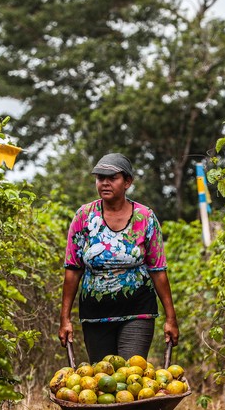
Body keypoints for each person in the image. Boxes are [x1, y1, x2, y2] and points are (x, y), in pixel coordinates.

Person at [59, 151, 179, 372]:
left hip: (137, 311)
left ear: (127, 182)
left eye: (112, 178)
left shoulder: (145, 217)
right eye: (100, 178)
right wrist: (64, 318)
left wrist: (170, 318)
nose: (105, 183)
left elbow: (158, 270)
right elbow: (73, 269)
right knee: (101, 378)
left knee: (131, 374)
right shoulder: (84, 216)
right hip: (95, 315)